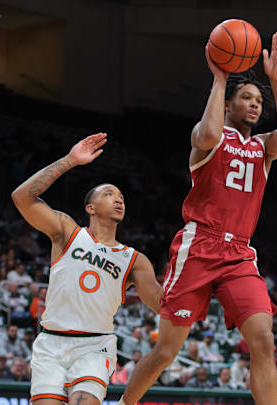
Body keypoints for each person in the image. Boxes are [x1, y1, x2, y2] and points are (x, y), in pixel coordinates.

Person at [120, 32, 277, 405]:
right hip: (199, 244)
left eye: (257, 99)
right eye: (246, 98)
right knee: (166, 351)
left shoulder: (263, 147)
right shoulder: (210, 138)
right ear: (229, 104)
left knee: (264, 340)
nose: (254, 104)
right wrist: (220, 79)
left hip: (239, 254)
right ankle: (124, 403)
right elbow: (209, 132)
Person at [11, 133, 163, 405]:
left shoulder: (134, 259)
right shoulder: (67, 232)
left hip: (95, 346)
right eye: (109, 194)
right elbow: (22, 197)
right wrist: (70, 161)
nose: (119, 200)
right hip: (51, 344)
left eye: (121, 197)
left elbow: (162, 304)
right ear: (91, 208)